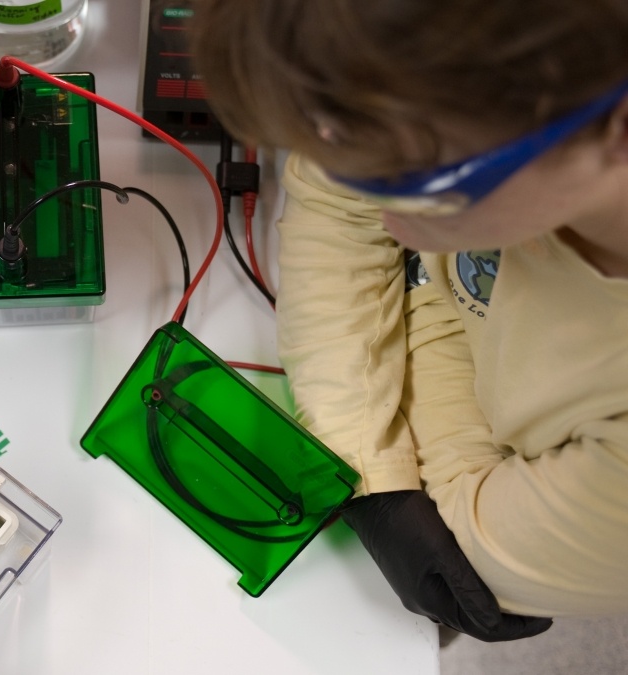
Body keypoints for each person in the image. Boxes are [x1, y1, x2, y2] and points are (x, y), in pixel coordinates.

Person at [190, 0, 628, 641]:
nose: (389, 220)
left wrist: (377, 434)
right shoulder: (490, 116)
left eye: (412, 189)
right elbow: (337, 202)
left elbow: (466, 549)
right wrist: (373, 469)